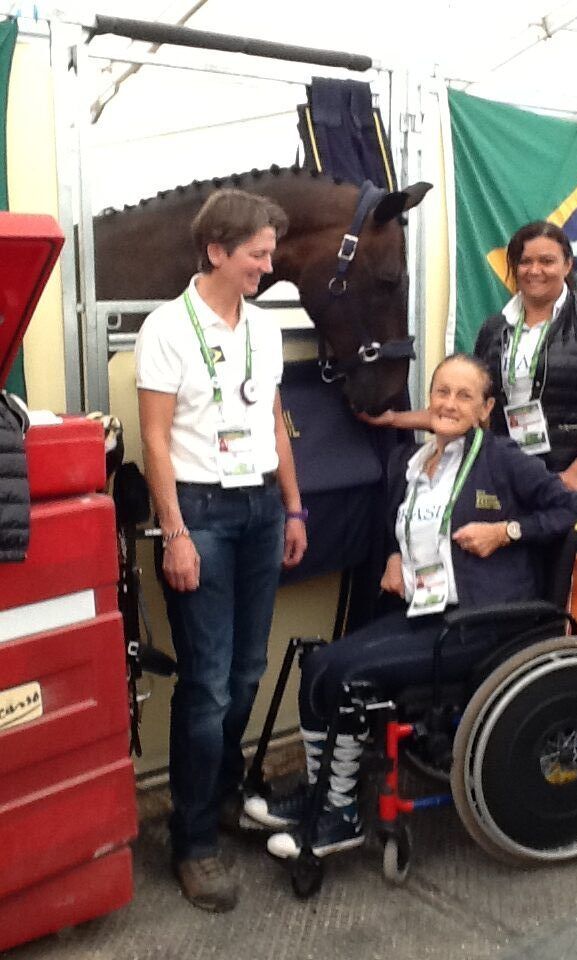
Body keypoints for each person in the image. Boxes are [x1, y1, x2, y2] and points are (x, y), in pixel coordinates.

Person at [243, 354, 577, 859]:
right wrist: (392, 555)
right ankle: (325, 800)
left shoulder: (501, 460)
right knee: (317, 662)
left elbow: (572, 509)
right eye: (442, 392)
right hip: (426, 612)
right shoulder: (414, 462)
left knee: (341, 672)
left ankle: (340, 817)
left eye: (464, 396)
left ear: (486, 408)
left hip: (482, 623)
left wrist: (506, 531)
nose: (449, 403)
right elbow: (398, 522)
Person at [135, 188, 307, 912]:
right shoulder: (166, 328)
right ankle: (193, 839)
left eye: (270, 254)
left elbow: (273, 420)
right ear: (217, 251)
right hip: (199, 511)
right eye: (257, 255)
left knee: (246, 673)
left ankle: (223, 794)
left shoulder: (263, 329)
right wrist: (174, 532)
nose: (267, 267)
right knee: (206, 685)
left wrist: (293, 505)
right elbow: (153, 440)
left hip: (261, 504)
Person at [365, 221, 577, 510]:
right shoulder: (495, 328)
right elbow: (471, 407)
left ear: (567, 265)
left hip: (575, 488)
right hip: (510, 481)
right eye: (525, 262)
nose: (535, 270)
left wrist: (574, 475)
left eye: (547, 261)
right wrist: (394, 419)